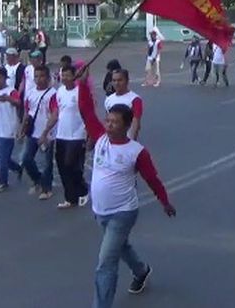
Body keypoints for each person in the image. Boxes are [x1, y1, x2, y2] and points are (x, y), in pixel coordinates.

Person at [75, 72, 176, 308]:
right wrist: (81, 83)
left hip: (123, 212)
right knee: (121, 246)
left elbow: (153, 179)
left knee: (105, 262)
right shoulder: (100, 138)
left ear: (127, 125)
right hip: (101, 211)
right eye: (108, 120)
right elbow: (85, 109)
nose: (108, 125)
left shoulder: (136, 151)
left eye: (114, 122)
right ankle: (141, 271)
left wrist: (165, 202)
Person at [45, 65, 89, 209]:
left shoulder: (80, 92)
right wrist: (45, 132)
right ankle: (70, 198)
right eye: (62, 75)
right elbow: (56, 113)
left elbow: (88, 114)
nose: (64, 78)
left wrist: (89, 134)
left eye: (68, 75)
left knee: (71, 165)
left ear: (75, 76)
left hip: (77, 135)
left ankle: (83, 189)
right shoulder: (60, 92)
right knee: (62, 167)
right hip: (61, 135)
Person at [21, 65, 56, 200]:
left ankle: (46, 188)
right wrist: (22, 128)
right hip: (33, 131)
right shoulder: (30, 93)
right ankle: (38, 180)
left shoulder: (52, 93)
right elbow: (27, 112)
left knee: (46, 163)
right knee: (26, 159)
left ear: (47, 78)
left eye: (42, 76)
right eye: (36, 76)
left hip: (48, 133)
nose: (38, 79)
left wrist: (46, 132)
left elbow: (54, 113)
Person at [0, 68, 23, 192]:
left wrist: (8, 99)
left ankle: (3, 182)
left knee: (2, 158)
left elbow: (18, 103)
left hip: (8, 129)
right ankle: (18, 168)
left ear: (4, 78)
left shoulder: (11, 91)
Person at [104, 69, 143, 140]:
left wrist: (129, 141)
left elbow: (135, 123)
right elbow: (107, 120)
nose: (116, 83)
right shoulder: (108, 99)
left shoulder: (135, 99)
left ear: (127, 81)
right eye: (114, 80)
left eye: (120, 80)